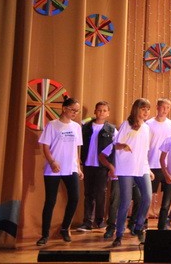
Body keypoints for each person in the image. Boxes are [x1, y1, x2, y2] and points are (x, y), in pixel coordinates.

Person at [36, 97, 84, 246]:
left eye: (77, 111)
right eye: (73, 110)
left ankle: (65, 228)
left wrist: (78, 167)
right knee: (50, 201)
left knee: (74, 198)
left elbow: (76, 149)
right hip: (54, 168)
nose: (75, 113)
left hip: (71, 167)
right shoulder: (52, 125)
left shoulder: (76, 127)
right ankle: (45, 235)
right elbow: (45, 146)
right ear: (64, 108)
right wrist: (51, 162)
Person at [107, 98, 153, 247]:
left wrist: (148, 168)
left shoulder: (146, 128)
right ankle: (119, 234)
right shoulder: (127, 125)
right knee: (126, 201)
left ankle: (139, 227)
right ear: (136, 109)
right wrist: (123, 146)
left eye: (148, 109)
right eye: (143, 109)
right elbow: (116, 145)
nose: (146, 112)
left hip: (142, 167)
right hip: (126, 167)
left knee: (147, 197)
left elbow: (145, 151)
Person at [77, 101, 116, 232]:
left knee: (100, 194)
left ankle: (100, 220)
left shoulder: (111, 129)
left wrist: (111, 166)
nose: (101, 113)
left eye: (104, 110)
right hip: (88, 164)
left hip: (102, 166)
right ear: (95, 111)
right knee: (88, 194)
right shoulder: (85, 127)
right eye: (99, 110)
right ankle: (87, 222)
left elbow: (115, 149)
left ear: (108, 113)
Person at [147, 98, 171, 210]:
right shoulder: (148, 124)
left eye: (168, 108)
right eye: (163, 107)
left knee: (168, 195)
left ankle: (165, 217)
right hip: (152, 164)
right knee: (148, 195)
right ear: (157, 107)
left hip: (167, 166)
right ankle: (144, 218)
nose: (165, 110)